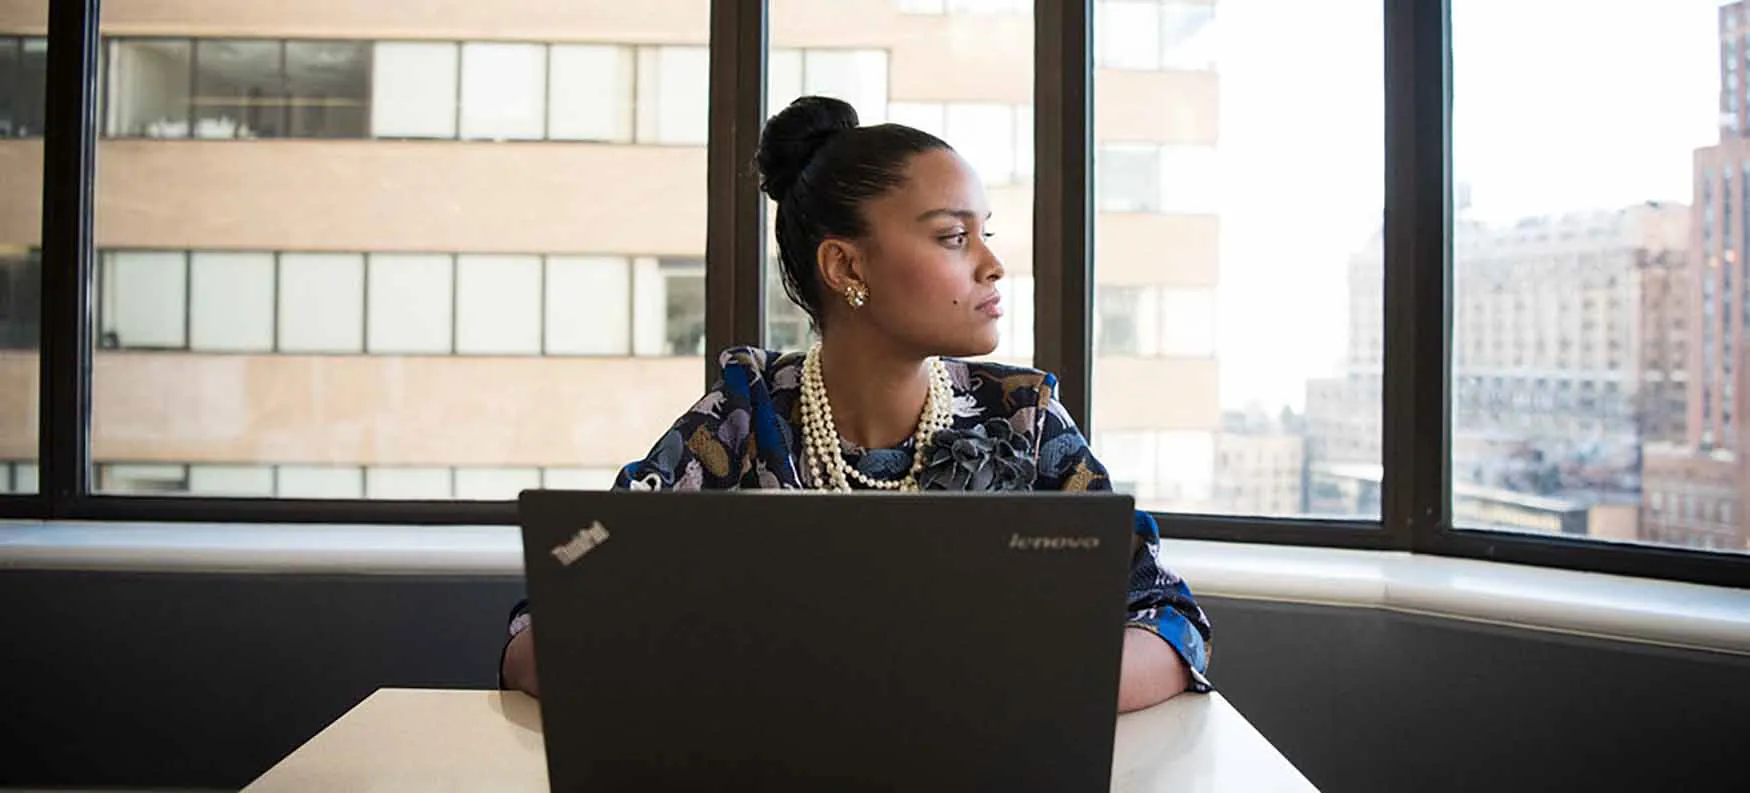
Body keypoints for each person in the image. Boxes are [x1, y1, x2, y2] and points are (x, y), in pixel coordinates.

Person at [500, 95, 1212, 712]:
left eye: (984, 234)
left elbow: (1170, 618)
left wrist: (1011, 688)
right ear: (846, 266)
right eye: (952, 236)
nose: (993, 264)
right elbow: (542, 629)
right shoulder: (743, 417)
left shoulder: (1024, 419)